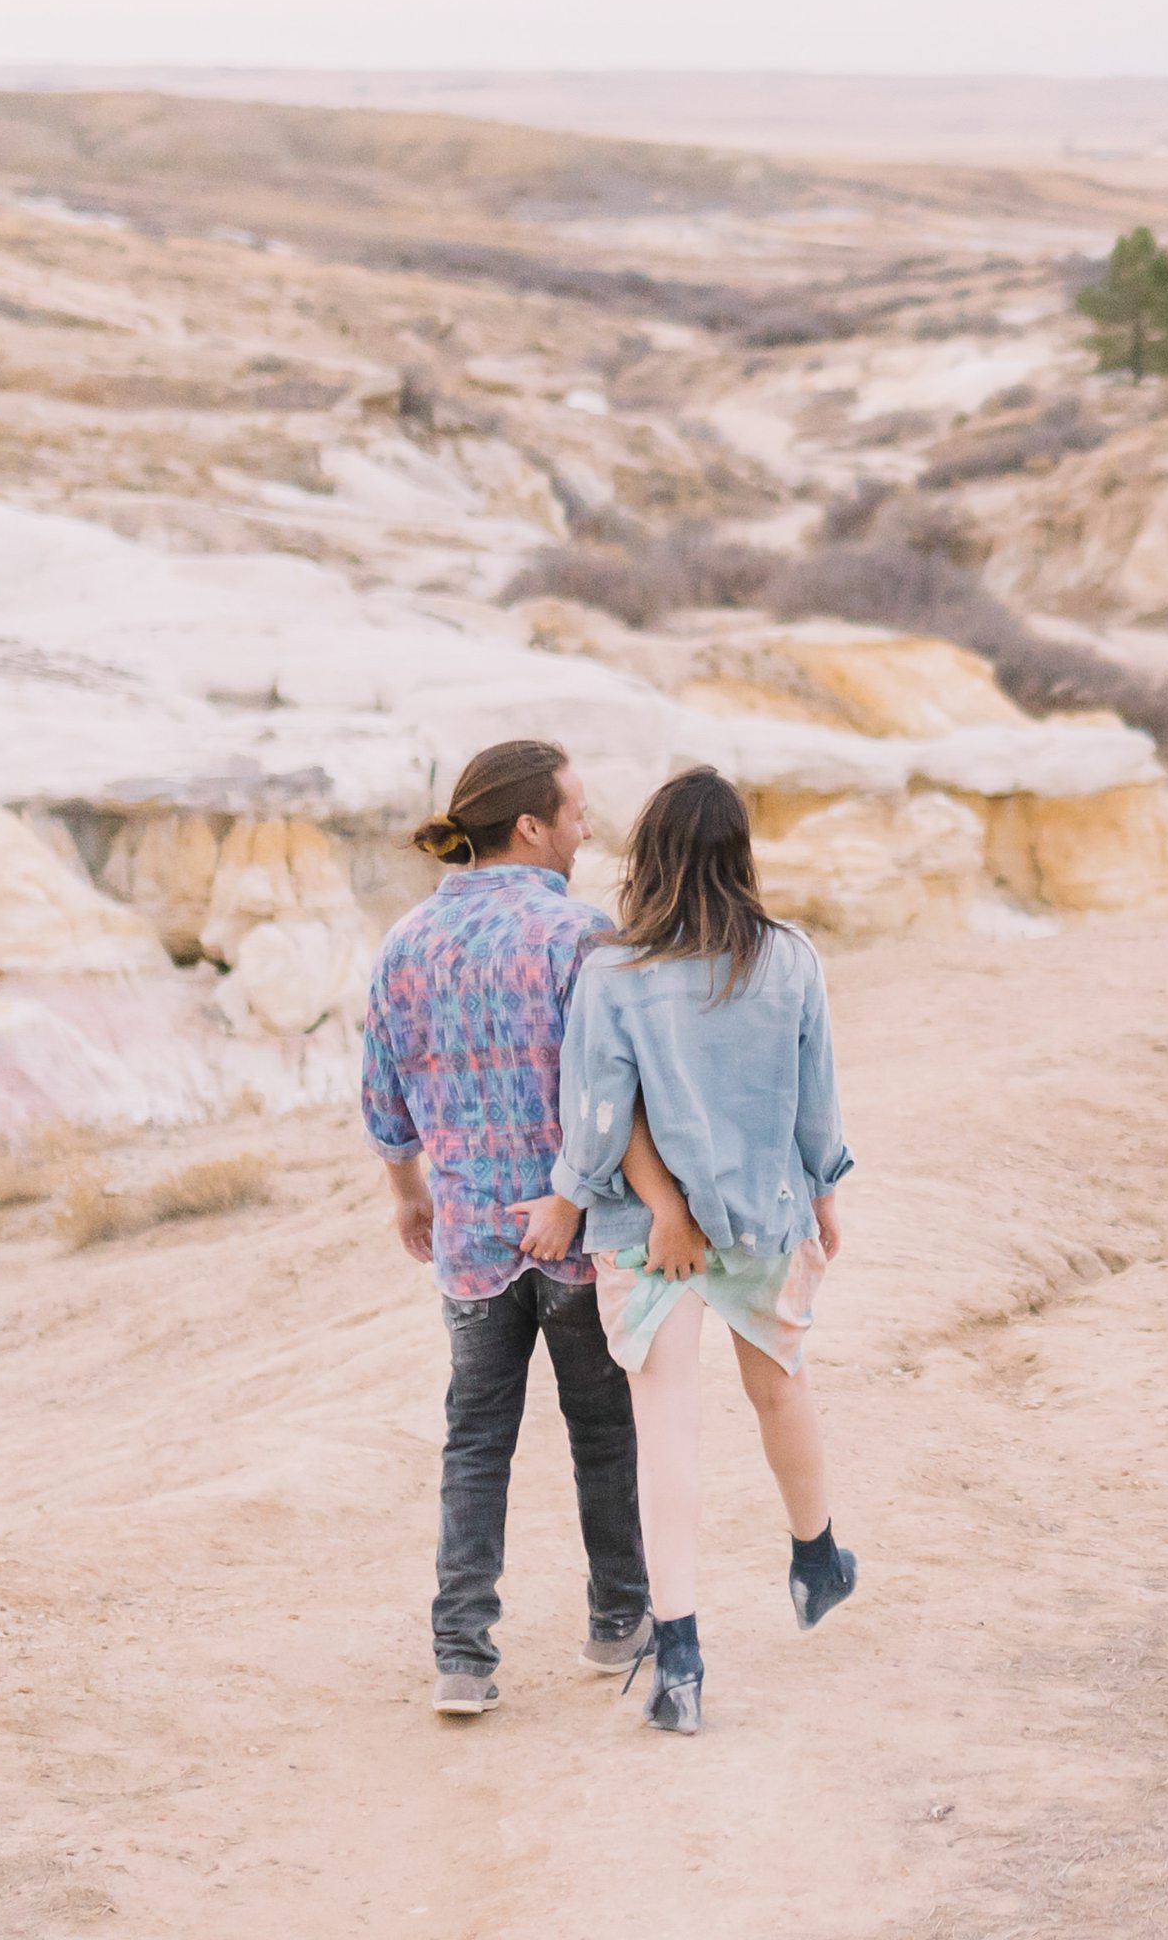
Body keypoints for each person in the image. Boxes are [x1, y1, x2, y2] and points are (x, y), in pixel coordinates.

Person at [359, 739, 705, 1719]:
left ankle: (461, 1656)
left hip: (469, 1237)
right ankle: (617, 1619)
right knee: (602, 1429)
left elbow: (383, 1098)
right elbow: (612, 1087)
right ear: (530, 825)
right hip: (576, 1232)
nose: (586, 826)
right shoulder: (578, 934)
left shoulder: (405, 943)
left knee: (475, 1442)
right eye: (576, 809)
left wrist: (408, 1193)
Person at [511, 766, 857, 1736]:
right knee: (780, 1383)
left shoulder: (614, 970)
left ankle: (682, 1656)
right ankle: (816, 1557)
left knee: (666, 1432)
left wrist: (578, 1197)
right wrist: (825, 1189)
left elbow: (595, 1109)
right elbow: (814, 1092)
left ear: (651, 855)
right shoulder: (788, 957)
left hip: (646, 1234)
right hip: (762, 1210)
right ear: (738, 852)